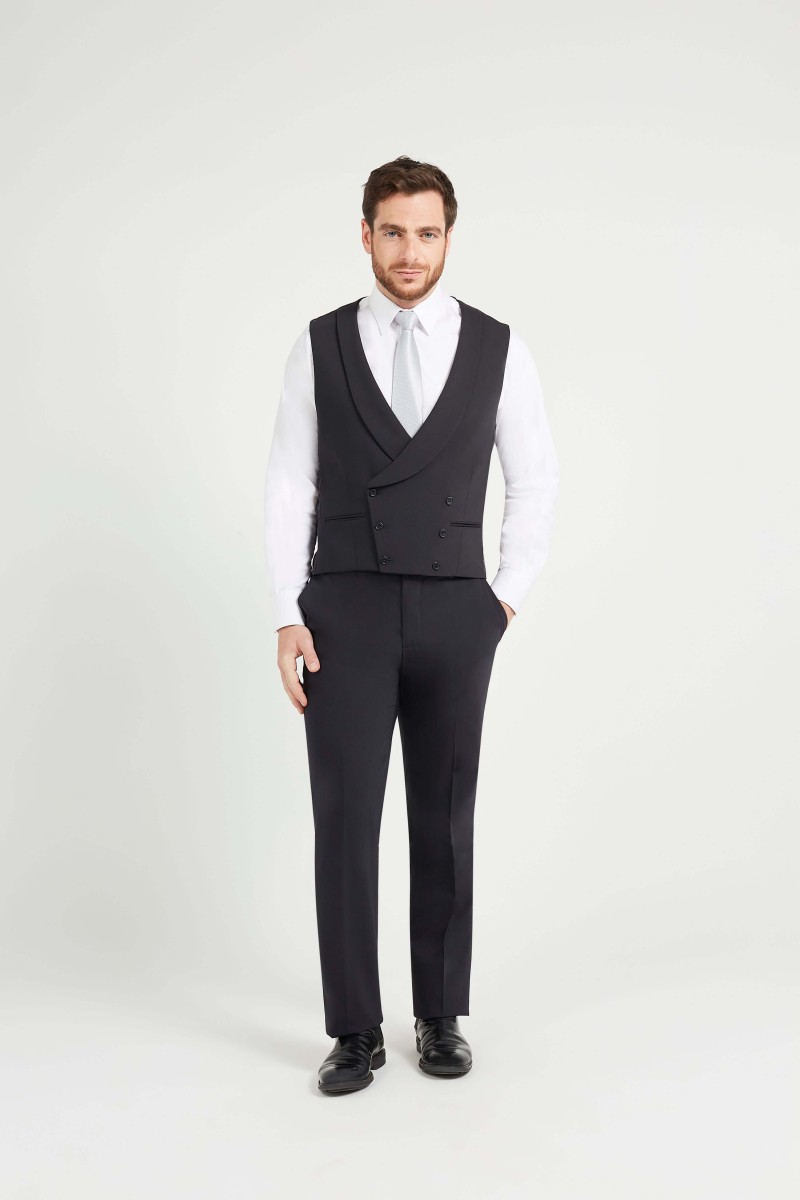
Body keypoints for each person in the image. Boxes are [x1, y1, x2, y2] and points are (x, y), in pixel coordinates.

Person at [263, 155, 559, 1095]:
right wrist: (285, 613)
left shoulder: (499, 347)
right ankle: (355, 1029)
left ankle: (440, 1015)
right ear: (365, 234)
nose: (409, 251)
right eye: (392, 231)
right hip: (342, 609)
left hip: (455, 608)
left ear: (448, 239)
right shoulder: (319, 345)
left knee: (445, 815)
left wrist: (501, 599)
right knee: (345, 819)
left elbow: (535, 479)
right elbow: (289, 483)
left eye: (427, 233)